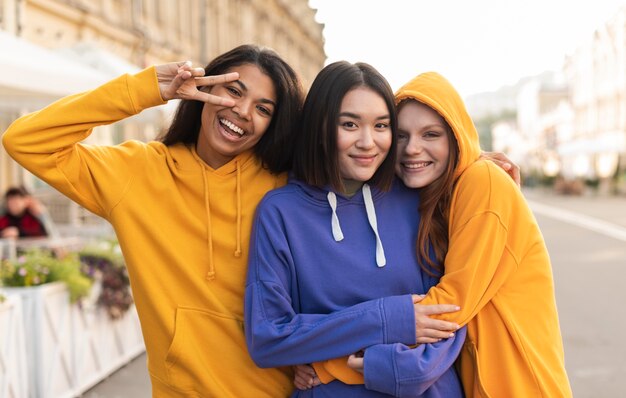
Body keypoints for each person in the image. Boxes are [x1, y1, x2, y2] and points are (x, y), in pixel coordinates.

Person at [2, 44, 306, 397]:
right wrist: (144, 90)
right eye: (233, 91)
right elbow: (25, 141)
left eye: (263, 108)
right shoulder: (137, 172)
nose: (241, 110)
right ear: (205, 88)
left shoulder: (284, 186)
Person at [309, 71, 573, 396]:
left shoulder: (482, 182)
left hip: (518, 384)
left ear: (455, 137)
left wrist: (327, 364)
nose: (412, 149)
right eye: (401, 135)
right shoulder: (433, 195)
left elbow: (447, 307)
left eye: (431, 134)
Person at [244, 61, 467, 397]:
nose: (368, 142)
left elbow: (450, 314)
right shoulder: (280, 212)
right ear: (319, 128)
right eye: (349, 124)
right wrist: (389, 319)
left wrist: (385, 366)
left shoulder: (416, 196)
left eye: (381, 125)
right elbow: (269, 337)